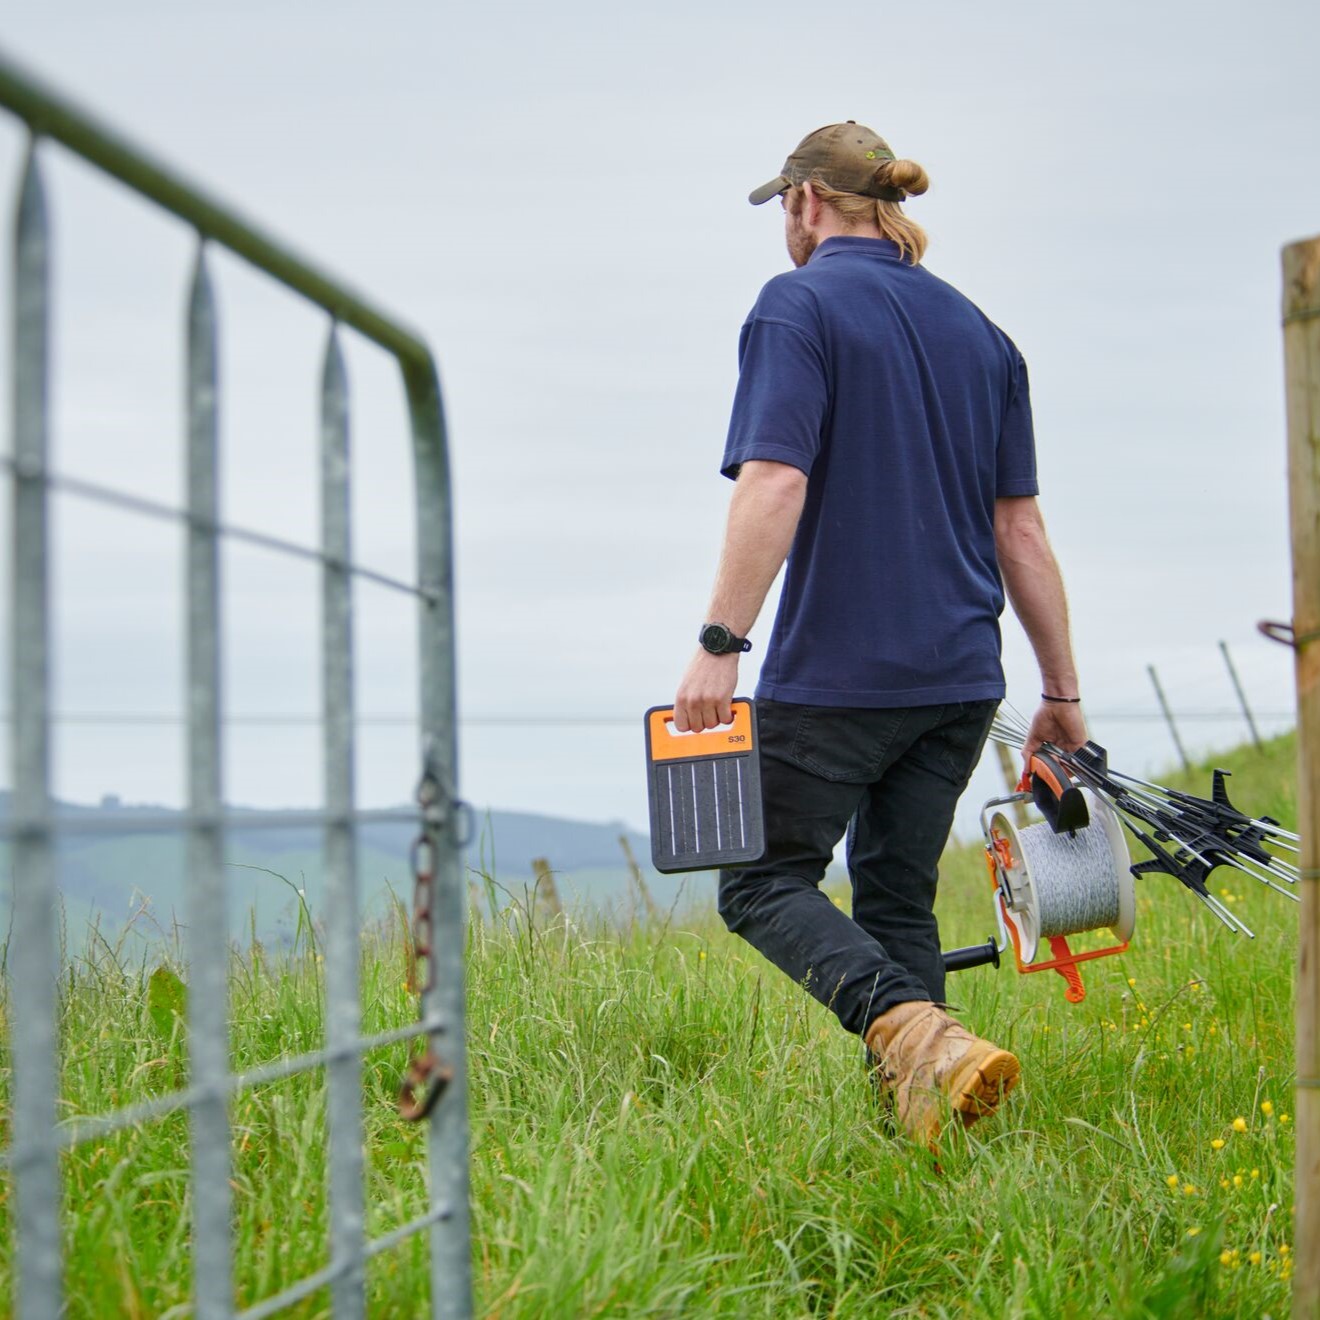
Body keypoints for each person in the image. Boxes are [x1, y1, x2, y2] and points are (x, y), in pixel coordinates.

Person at [672, 121, 1087, 1145]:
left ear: (808, 202)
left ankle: (922, 1040)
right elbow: (1019, 526)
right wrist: (1062, 692)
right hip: (958, 678)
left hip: (843, 676)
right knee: (896, 897)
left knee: (761, 881)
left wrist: (721, 641)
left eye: (785, 210)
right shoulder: (980, 331)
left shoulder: (797, 304)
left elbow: (774, 478)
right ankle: (927, 1120)